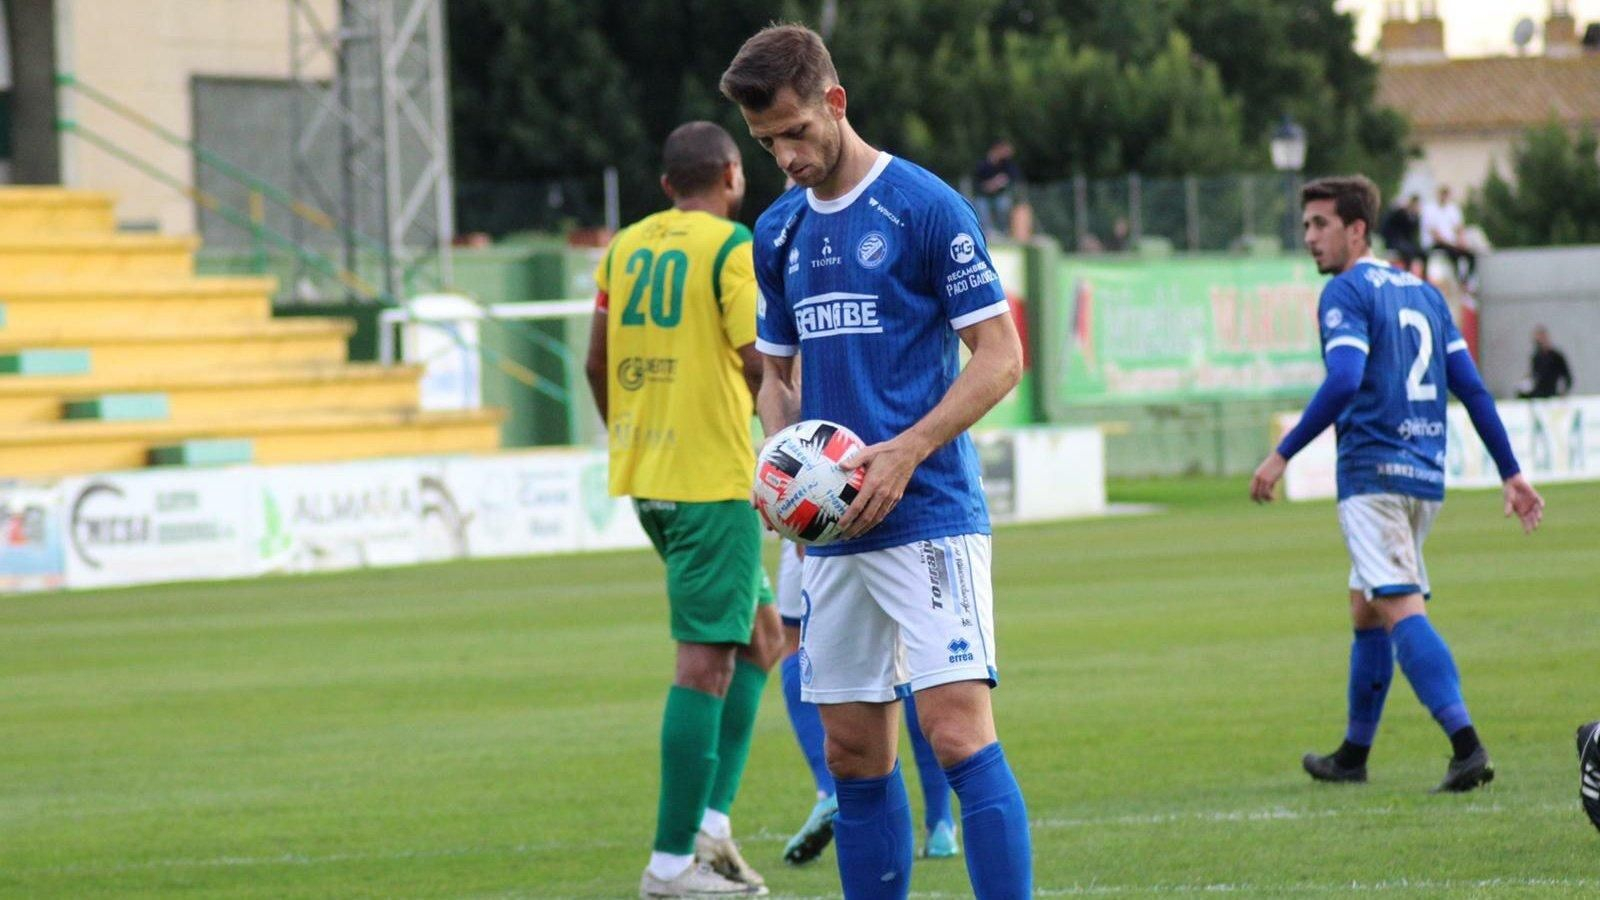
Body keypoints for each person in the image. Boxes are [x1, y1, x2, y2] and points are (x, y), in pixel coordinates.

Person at [721, 24, 1032, 900]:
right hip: (831, 535)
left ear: (835, 102)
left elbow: (1001, 355)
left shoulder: (925, 208)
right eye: (766, 142)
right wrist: (780, 465)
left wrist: (906, 450)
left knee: (958, 734)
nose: (785, 155)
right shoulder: (776, 231)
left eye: (795, 132)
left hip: (928, 512)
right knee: (853, 751)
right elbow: (775, 381)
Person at [1250, 175, 1544, 794]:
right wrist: (1511, 472)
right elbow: (1471, 388)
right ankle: (1353, 755)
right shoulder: (1426, 293)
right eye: (1305, 226)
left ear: (1357, 229)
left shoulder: (1345, 293)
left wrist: (1280, 455)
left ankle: (1466, 745)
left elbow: (1344, 380)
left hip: (1373, 474)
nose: (1309, 238)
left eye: (1321, 224)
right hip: (1423, 474)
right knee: (1367, 610)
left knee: (1398, 605)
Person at [584, 120, 783, 899]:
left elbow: (597, 359)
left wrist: (630, 438)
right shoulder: (732, 251)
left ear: (669, 184)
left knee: (763, 640)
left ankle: (712, 828)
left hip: (650, 477)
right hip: (710, 484)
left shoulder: (624, 247)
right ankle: (671, 867)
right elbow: (755, 362)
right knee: (705, 664)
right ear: (733, 175)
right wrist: (790, 464)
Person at [774, 539, 961, 867]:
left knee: (795, 640)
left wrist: (799, 520)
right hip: (915, 525)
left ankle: (826, 789)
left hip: (821, 518)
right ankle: (940, 823)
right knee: (919, 652)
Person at [1420, 185, 1476, 286]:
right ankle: (1456, 279)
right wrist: (1452, 244)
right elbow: (1435, 235)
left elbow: (1459, 228)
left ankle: (1464, 281)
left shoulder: (1453, 209)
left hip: (1451, 244)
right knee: (1453, 254)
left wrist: (1461, 241)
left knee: (1470, 256)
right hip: (1436, 244)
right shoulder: (1429, 209)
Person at [971, 139, 1022, 238]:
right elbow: (978, 184)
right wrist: (992, 184)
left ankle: (1004, 231)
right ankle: (988, 232)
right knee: (981, 206)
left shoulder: (1006, 164)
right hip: (983, 195)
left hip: (1000, 195)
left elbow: (1014, 177)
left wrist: (1001, 182)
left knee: (1003, 204)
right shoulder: (983, 165)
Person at [1517, 325, 1573, 399]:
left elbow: (1567, 376)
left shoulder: (1556, 356)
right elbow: (1533, 376)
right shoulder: (1536, 357)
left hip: (1552, 393)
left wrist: (1564, 391)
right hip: (1538, 394)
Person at [1378, 194, 1423, 274]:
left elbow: (1411, 233)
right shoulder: (1399, 214)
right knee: (1408, 251)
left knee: (1420, 252)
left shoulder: (1414, 217)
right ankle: (1407, 271)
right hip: (1393, 241)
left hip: (1404, 242)